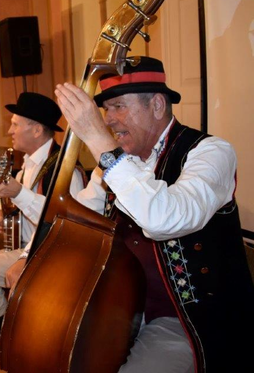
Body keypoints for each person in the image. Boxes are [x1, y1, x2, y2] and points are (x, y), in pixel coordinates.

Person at [54, 56, 254, 372]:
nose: (109, 120)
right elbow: (74, 219)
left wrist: (97, 140)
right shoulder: (115, 165)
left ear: (158, 105)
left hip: (187, 321)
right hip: (122, 311)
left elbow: (165, 219)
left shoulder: (211, 153)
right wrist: (28, 257)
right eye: (105, 110)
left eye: (118, 106)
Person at [0, 92, 85, 367]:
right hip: (26, 249)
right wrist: (1, 212)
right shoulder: (27, 165)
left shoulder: (66, 170)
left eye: (15, 124)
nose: (9, 131)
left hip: (52, 255)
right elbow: (18, 205)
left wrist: (18, 193)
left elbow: (63, 222)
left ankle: (8, 345)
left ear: (36, 130)